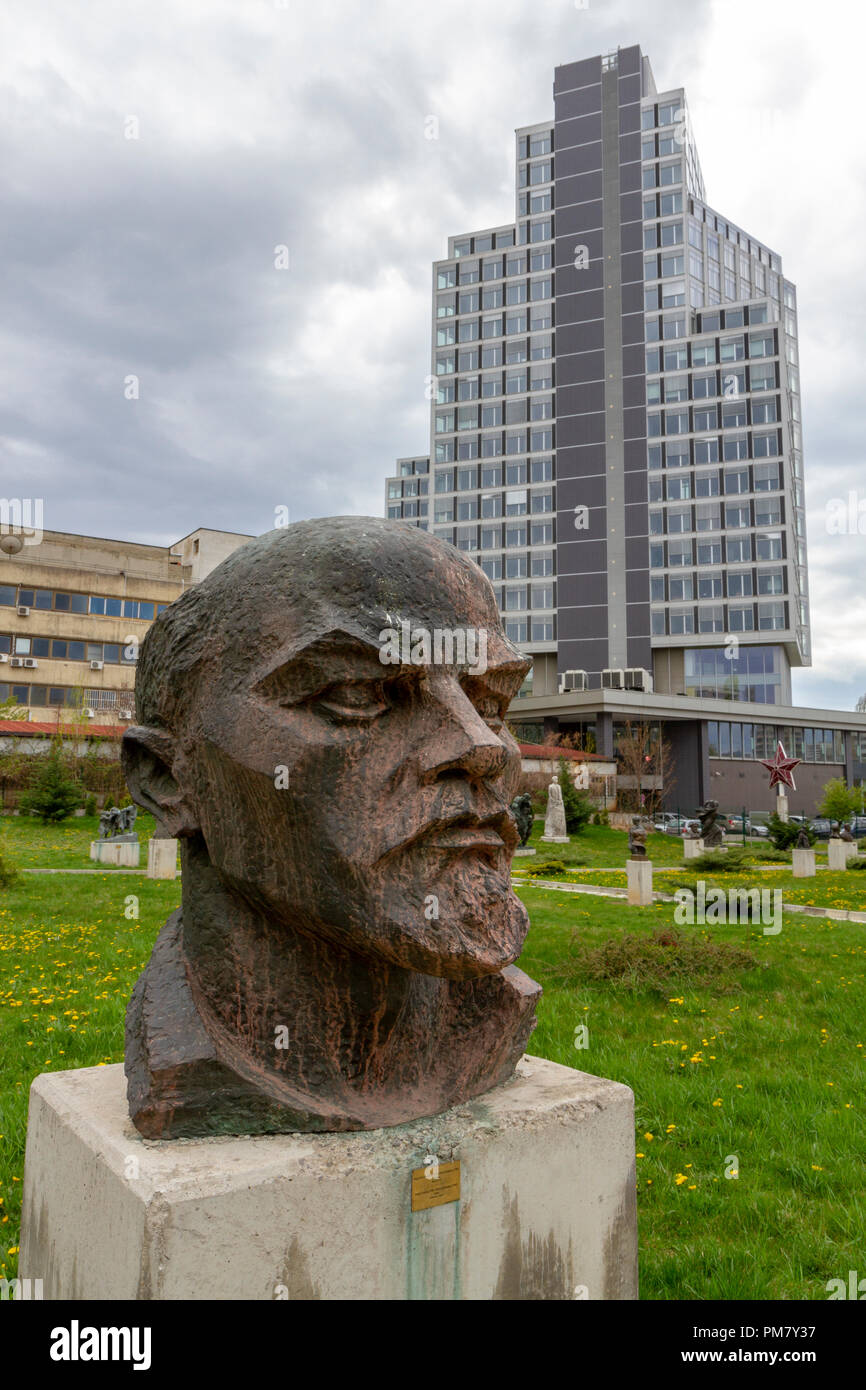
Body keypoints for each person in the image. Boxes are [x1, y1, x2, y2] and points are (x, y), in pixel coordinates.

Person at [122, 517, 541, 1138]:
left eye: (491, 705)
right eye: (354, 694)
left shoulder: (494, 1013)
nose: (483, 748)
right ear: (168, 778)